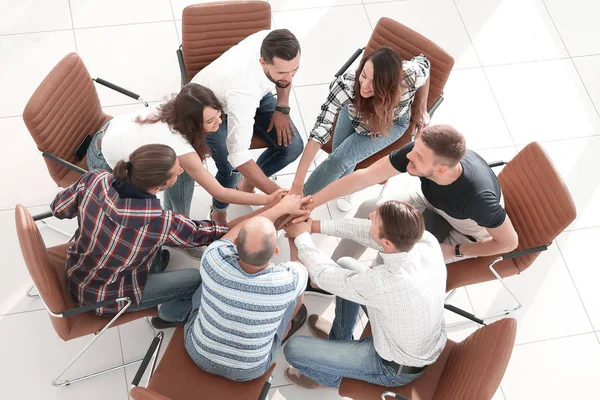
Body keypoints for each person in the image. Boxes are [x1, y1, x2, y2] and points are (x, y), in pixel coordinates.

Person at [86, 83, 279, 259]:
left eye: (219, 114)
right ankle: (181, 230)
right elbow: (219, 192)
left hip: (110, 132)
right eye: (210, 121)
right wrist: (270, 199)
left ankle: (176, 215)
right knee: (184, 172)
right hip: (102, 160)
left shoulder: (178, 105)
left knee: (183, 170)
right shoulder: (177, 144)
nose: (219, 123)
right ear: (192, 123)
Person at [51, 144, 230, 329]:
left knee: (148, 245)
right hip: (106, 299)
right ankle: (170, 316)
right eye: (177, 173)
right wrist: (238, 226)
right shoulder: (159, 222)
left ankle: (154, 267)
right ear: (157, 187)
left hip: (77, 273)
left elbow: (58, 208)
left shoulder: (94, 178)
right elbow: (203, 233)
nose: (182, 170)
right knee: (196, 279)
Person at [281, 200, 447, 389]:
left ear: (387, 243)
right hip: (404, 331)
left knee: (293, 350)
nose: (370, 216)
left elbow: (323, 275)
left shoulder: (387, 282)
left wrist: (301, 237)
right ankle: (339, 339)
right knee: (346, 264)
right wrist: (313, 226)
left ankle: (331, 377)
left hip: (393, 366)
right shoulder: (425, 241)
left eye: (375, 219)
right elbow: (367, 231)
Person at [299, 124, 519, 266]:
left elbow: (509, 243)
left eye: (418, 157)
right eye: (414, 149)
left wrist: (455, 250)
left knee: (392, 258)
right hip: (431, 200)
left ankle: (363, 290)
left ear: (441, 169)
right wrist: (311, 202)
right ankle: (333, 270)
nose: (409, 156)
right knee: (369, 209)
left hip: (466, 231)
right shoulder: (420, 152)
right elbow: (364, 177)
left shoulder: (479, 200)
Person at [184, 195, 310, 382]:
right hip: (248, 371)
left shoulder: (213, 258)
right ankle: (288, 326)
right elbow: (300, 261)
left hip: (198, 354)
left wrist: (278, 208)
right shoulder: (288, 281)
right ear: (276, 251)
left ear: (234, 245)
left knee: (207, 281)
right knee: (295, 299)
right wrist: (296, 233)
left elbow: (232, 234)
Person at [290, 46, 431, 212]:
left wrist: (421, 107)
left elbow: (425, 64)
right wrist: (296, 184)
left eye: (374, 83)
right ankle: (298, 201)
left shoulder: (408, 75)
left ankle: (298, 206)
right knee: (340, 162)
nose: (364, 85)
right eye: (363, 75)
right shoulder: (347, 83)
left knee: (340, 160)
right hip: (355, 116)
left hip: (390, 124)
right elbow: (319, 130)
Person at [191, 29, 304, 224]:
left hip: (252, 95)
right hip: (205, 107)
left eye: (294, 70)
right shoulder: (243, 92)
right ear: (263, 62)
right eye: (282, 73)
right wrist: (278, 196)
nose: (289, 78)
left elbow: (285, 76)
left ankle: (246, 186)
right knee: (230, 168)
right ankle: (218, 210)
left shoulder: (275, 40)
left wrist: (282, 106)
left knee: (293, 147)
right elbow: (238, 155)